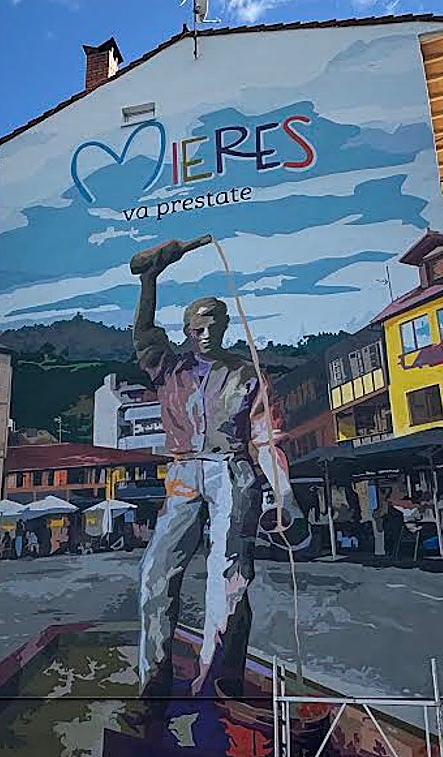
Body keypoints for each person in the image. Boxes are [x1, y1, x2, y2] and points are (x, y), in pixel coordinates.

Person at [128, 237, 310, 726]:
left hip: (233, 469)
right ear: (186, 330)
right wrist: (150, 277)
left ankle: (214, 683)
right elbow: (143, 329)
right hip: (184, 471)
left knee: (227, 578)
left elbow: (267, 438)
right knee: (154, 574)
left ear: (225, 326)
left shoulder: (246, 373)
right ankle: (154, 683)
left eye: (212, 323)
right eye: (196, 325)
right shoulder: (168, 366)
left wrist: (284, 495)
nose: (204, 332)